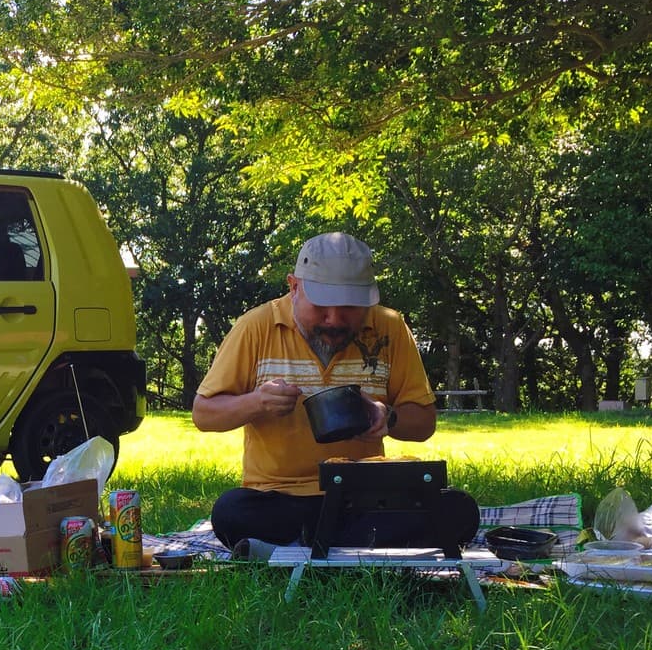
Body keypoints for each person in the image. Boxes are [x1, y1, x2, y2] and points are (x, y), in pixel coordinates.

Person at [192, 232, 478, 550]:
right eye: (322, 307)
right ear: (294, 287)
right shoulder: (255, 327)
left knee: (460, 510)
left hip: (366, 496)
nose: (334, 320)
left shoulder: (390, 327)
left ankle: (303, 547)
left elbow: (424, 423)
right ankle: (351, 546)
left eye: (350, 309)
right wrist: (257, 402)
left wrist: (389, 416)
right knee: (230, 512)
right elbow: (204, 414)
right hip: (279, 500)